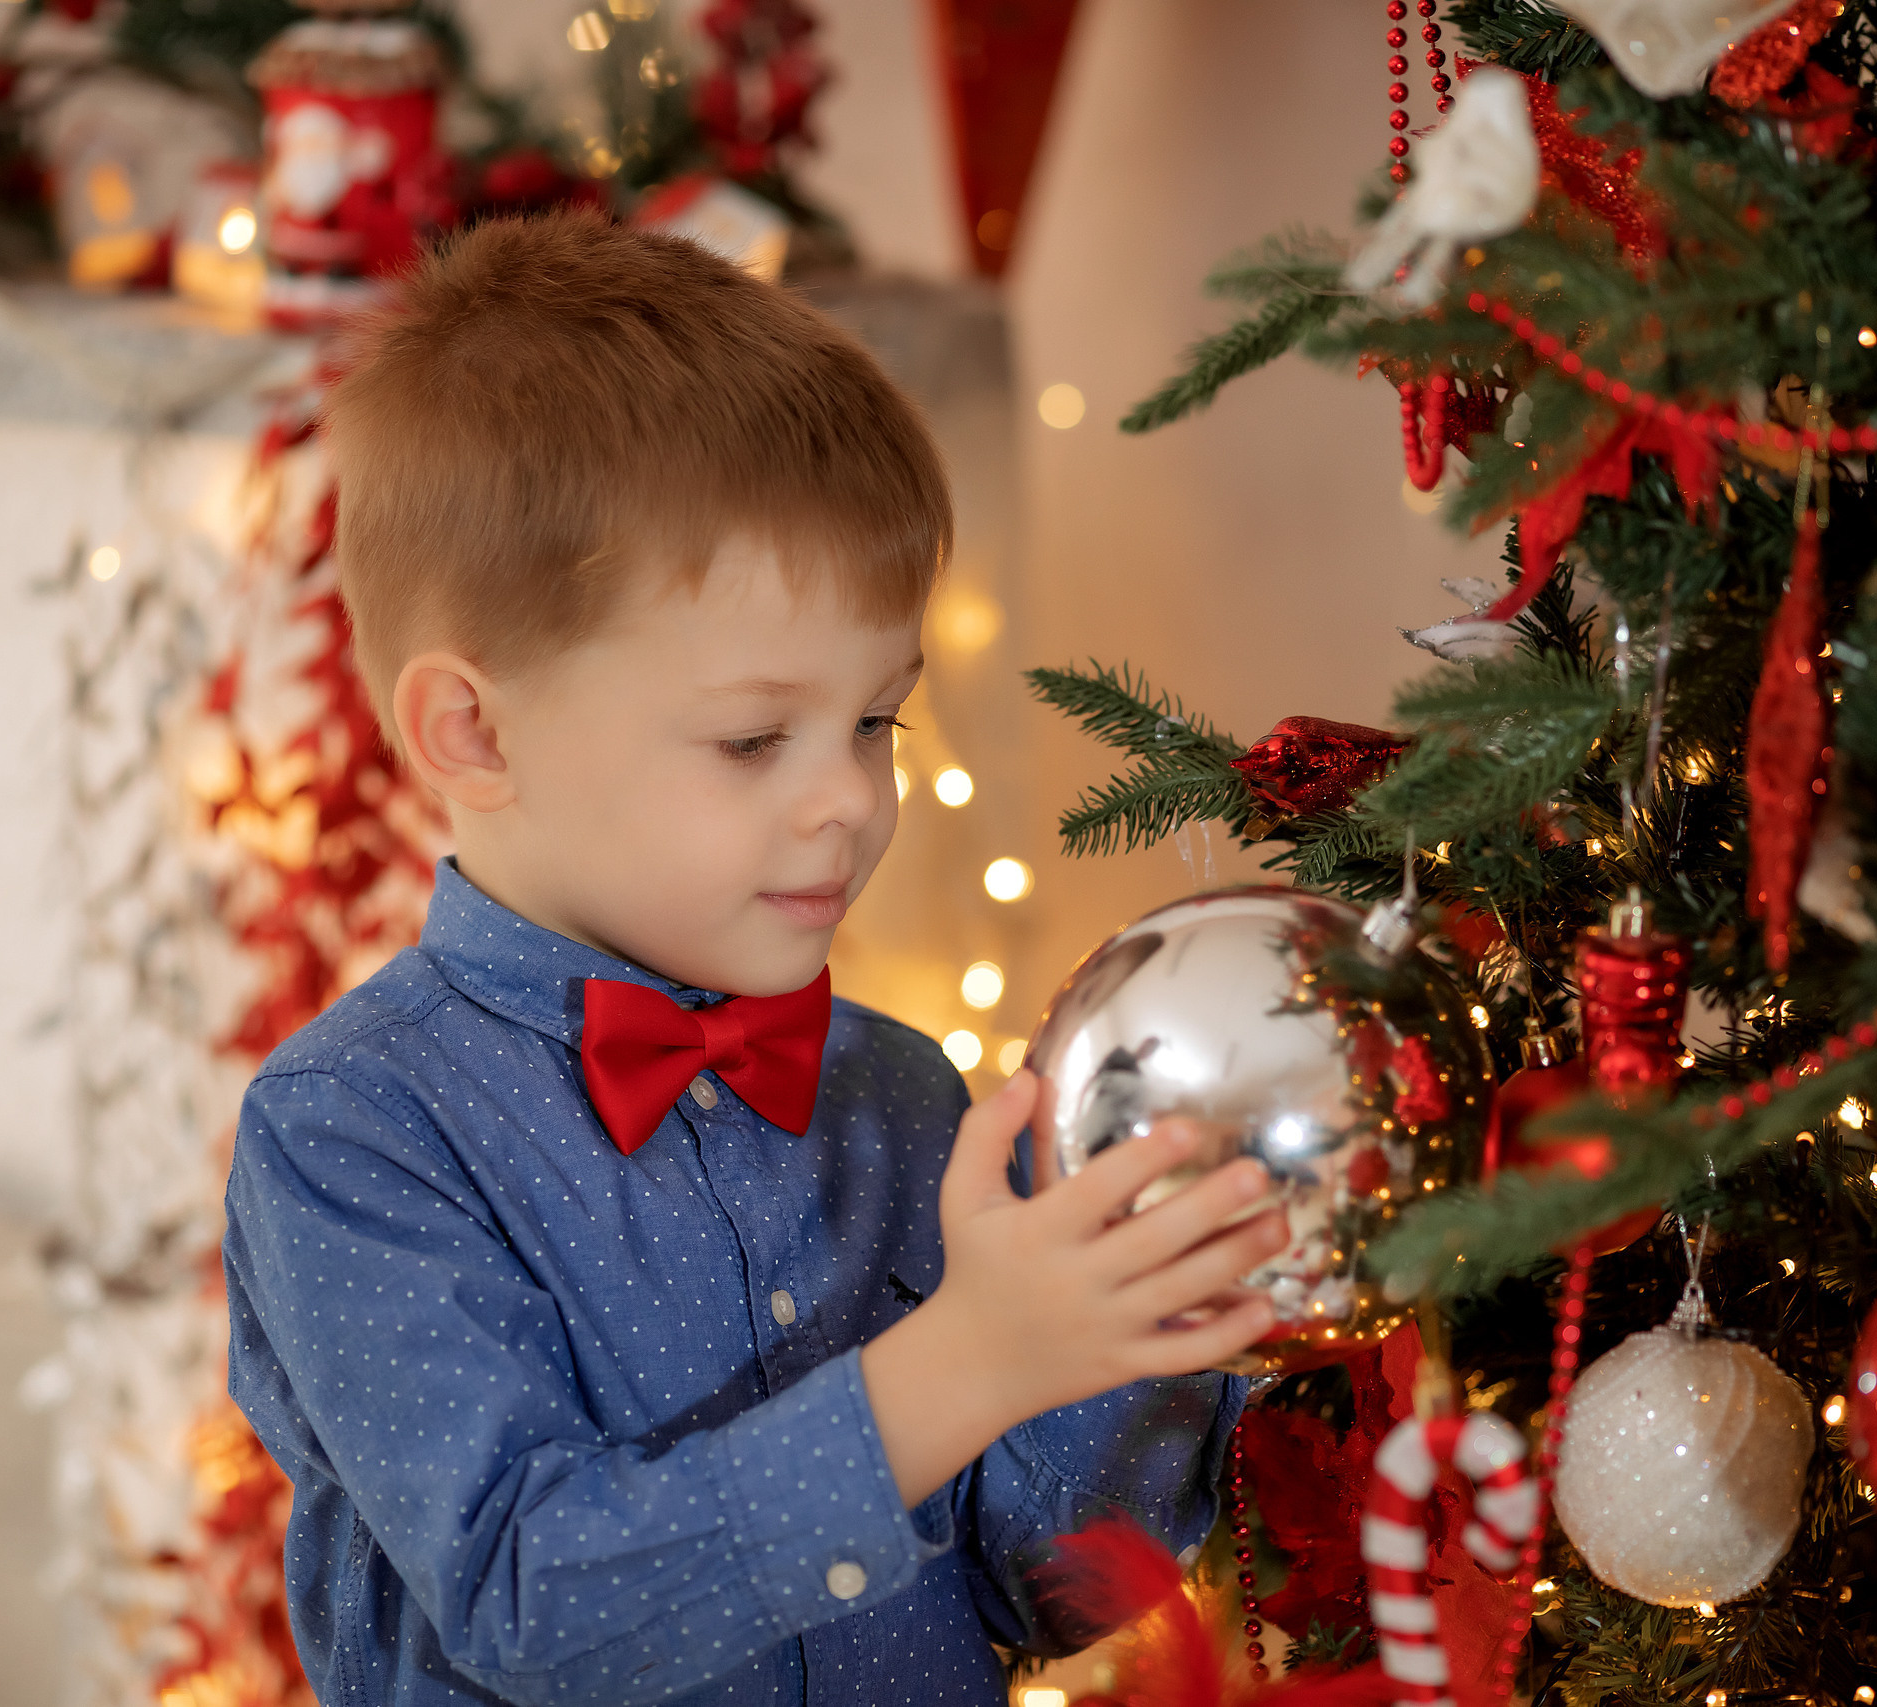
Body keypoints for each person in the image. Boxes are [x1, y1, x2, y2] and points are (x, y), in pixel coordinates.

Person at [222, 211, 1291, 1707]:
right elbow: (533, 1604)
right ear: (474, 733)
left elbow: (1047, 1592)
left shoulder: (901, 1095)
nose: (849, 798)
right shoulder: (352, 1133)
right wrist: (965, 1361)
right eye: (751, 739)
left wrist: (1141, 1326)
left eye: (876, 720)